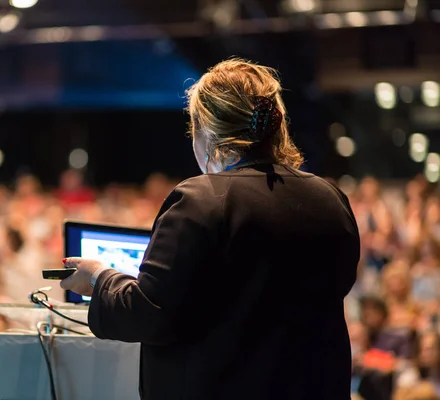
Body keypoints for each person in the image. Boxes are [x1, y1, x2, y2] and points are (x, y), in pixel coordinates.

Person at [61, 58, 360, 400]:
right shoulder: (330, 199)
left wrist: (101, 278)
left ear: (206, 132)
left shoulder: (201, 200)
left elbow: (151, 314)